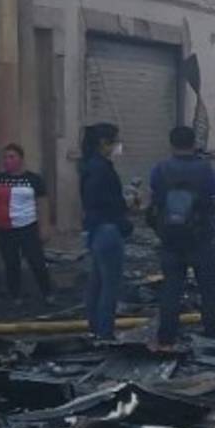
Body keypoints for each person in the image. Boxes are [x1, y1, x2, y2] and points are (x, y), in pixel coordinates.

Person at [147, 126, 215, 351]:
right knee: (208, 288)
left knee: (171, 288)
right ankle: (210, 332)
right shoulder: (205, 169)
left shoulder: (160, 169)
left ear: (171, 143)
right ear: (193, 143)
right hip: (201, 238)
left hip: (170, 239)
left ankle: (167, 336)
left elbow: (153, 202)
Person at [79, 123, 129, 340]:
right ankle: (105, 331)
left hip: (96, 229)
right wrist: (124, 205)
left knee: (97, 282)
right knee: (109, 285)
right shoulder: (101, 168)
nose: (118, 146)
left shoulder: (90, 166)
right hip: (108, 229)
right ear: (103, 143)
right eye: (115, 141)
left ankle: (95, 327)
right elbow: (100, 199)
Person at [0, 144, 52, 302]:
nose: (7, 160)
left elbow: (43, 203)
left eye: (12, 157)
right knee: (11, 263)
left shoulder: (34, 180)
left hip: (27, 226)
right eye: (5, 157)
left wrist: (44, 226)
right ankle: (14, 296)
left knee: (36, 261)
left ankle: (48, 293)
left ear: (21, 159)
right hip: (3, 229)